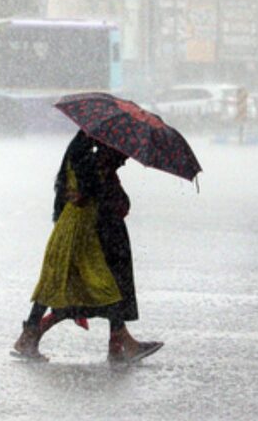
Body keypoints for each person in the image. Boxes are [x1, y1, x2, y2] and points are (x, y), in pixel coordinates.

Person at [13, 130, 163, 363]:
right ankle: (124, 342)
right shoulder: (87, 164)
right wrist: (102, 176)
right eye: (119, 153)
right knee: (103, 287)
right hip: (79, 234)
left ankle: (29, 337)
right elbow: (96, 197)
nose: (124, 159)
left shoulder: (78, 159)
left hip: (72, 231)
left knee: (53, 285)